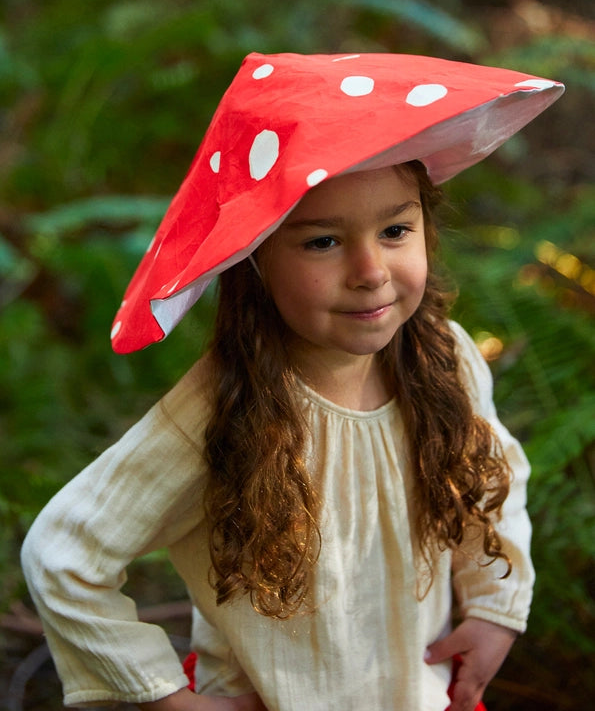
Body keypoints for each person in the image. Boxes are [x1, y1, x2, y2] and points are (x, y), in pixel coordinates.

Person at [21, 52, 564, 711]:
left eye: (394, 230)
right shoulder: (220, 406)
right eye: (321, 243)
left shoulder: (441, 359)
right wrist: (166, 698)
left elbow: (488, 477)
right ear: (254, 260)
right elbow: (65, 553)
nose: (369, 271)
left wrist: (494, 607)